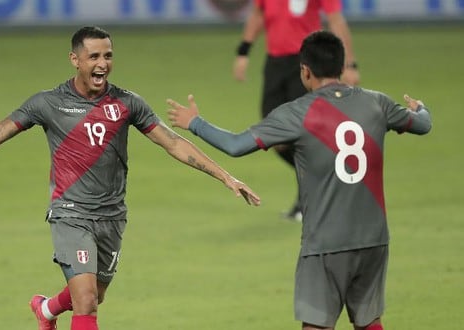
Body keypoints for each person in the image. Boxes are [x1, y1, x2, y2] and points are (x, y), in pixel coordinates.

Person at [0, 26, 261, 330]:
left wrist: (226, 177)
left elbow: (172, 142)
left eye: (108, 56)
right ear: (75, 59)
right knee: (85, 302)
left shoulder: (128, 103)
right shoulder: (48, 103)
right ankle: (54, 308)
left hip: (112, 216)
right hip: (71, 212)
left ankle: (46, 308)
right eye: (93, 56)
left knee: (94, 296)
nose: (102, 64)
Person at [167, 30, 431, 330]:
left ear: (305, 71)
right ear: (342, 67)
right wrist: (420, 107)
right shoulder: (377, 103)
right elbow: (423, 124)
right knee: (369, 323)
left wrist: (195, 123)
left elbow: (236, 145)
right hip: (374, 239)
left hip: (325, 243)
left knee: (316, 326)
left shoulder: (297, 114)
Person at [234, 0, 360, 221]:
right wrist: (244, 50)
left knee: (302, 133)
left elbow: (335, 20)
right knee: (274, 137)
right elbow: (257, 14)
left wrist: (349, 64)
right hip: (275, 63)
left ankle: (310, 198)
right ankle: (324, 178)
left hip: (305, 65)